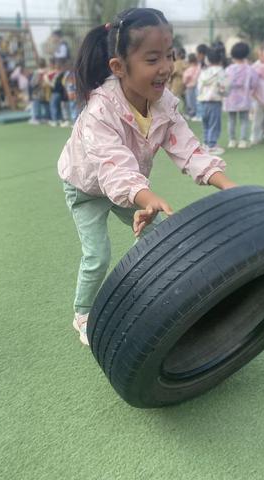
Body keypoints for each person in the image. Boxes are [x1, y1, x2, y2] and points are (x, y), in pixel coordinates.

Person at [57, 8, 236, 346]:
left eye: (169, 55)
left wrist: (225, 184)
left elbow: (187, 147)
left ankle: (167, 295)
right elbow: (114, 167)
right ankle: (82, 313)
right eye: (153, 59)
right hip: (85, 187)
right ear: (118, 67)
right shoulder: (100, 111)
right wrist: (147, 197)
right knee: (97, 255)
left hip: (131, 188)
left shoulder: (164, 103)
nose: (166, 67)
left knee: (159, 234)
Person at [224, 42, 257, 149]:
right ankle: (243, 140)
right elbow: (254, 83)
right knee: (244, 120)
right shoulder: (250, 69)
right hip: (244, 98)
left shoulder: (229, 69)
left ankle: (232, 140)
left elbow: (225, 83)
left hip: (230, 98)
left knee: (231, 120)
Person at [197, 46, 228, 154]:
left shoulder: (204, 72)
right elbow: (224, 86)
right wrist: (224, 93)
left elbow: (199, 86)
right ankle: (212, 145)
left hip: (203, 101)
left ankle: (206, 143)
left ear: (207, 60)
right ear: (220, 59)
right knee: (214, 123)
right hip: (215, 101)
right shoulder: (221, 72)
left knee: (205, 123)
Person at [29, 58, 50, 124]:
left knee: (36, 104)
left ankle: (37, 118)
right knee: (46, 104)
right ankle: (47, 117)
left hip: (38, 91)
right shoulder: (48, 71)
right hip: (46, 91)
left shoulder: (37, 72)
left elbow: (33, 83)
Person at [182, 53, 201, 120]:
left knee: (190, 101)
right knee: (196, 101)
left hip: (189, 87)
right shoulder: (198, 68)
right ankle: (196, 113)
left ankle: (191, 114)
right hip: (197, 86)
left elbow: (185, 80)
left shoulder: (188, 70)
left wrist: (184, 84)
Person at [194, 44, 209, 121]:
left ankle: (200, 115)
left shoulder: (206, 63)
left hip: (203, 85)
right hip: (200, 84)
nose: (196, 55)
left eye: (197, 53)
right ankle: (200, 115)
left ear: (202, 54)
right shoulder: (201, 63)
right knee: (199, 100)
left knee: (200, 101)